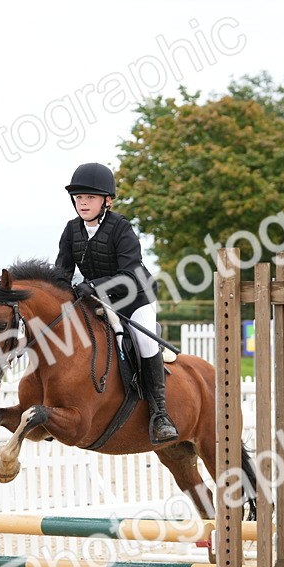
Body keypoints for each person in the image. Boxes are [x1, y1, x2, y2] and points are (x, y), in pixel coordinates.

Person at [55, 162, 177, 444]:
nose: (83, 203)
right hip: (97, 299)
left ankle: (160, 414)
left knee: (145, 342)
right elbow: (61, 271)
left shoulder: (121, 228)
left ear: (106, 201)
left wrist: (93, 285)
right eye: (79, 198)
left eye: (90, 198)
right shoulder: (72, 230)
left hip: (135, 297)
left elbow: (130, 274)